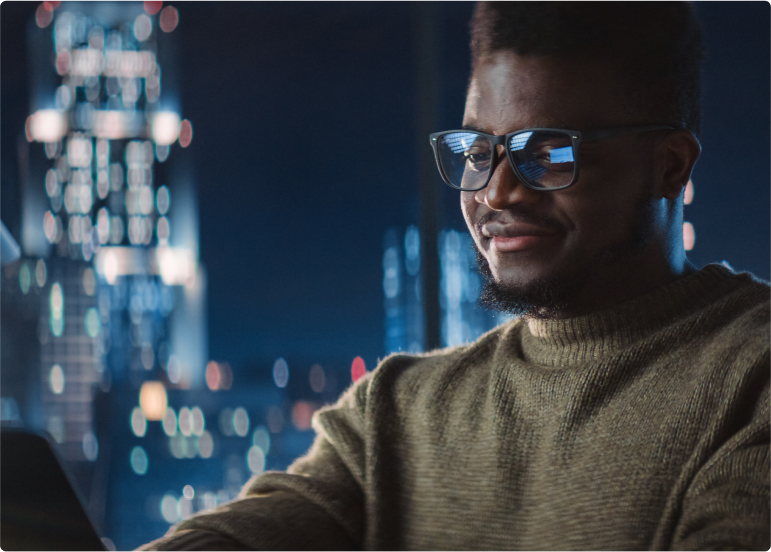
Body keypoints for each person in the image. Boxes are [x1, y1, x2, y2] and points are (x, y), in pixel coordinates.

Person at [138, 1, 771, 550]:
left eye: (545, 153)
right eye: (478, 151)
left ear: (668, 167)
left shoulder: (751, 380)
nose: (496, 193)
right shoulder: (396, 412)